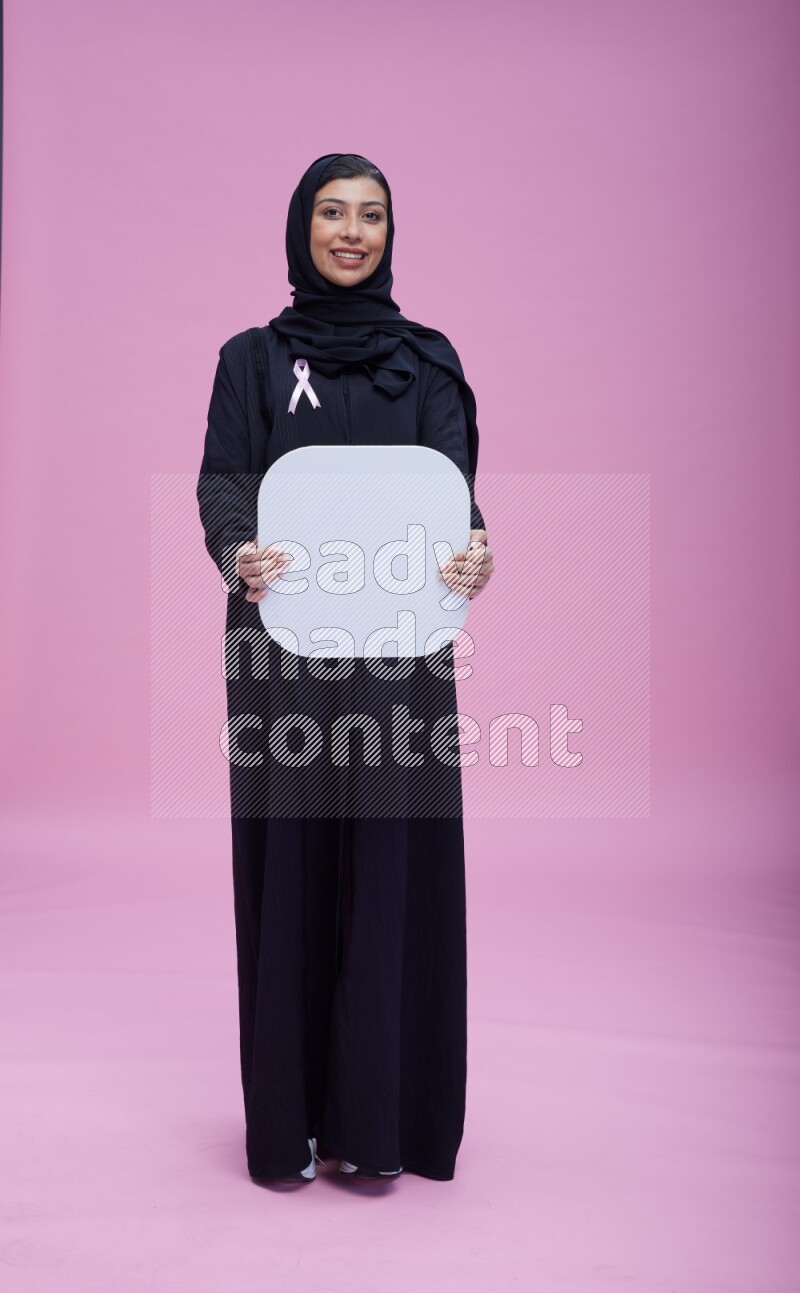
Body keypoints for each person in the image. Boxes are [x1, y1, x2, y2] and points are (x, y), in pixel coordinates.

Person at [196, 152, 495, 1184]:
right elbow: (223, 488)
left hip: (400, 654)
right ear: (300, 227)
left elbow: (454, 498)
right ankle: (288, 1127)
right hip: (278, 649)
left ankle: (379, 1127)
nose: (351, 232)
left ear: (389, 234)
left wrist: (473, 551)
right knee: (291, 870)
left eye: (370, 215)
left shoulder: (430, 359)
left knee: (391, 868)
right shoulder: (248, 359)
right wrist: (239, 552)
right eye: (331, 212)